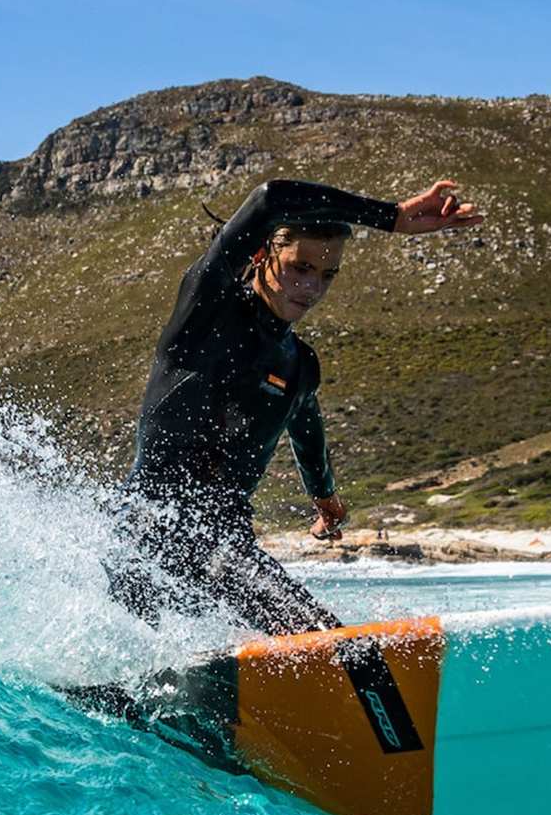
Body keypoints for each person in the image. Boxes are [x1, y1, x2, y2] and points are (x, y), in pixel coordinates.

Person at [108, 176, 483, 637]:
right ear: (262, 255)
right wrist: (393, 217)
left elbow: (307, 430)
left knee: (317, 636)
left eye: (327, 275)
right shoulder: (205, 310)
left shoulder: (299, 364)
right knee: (312, 638)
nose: (312, 287)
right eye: (300, 267)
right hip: (148, 527)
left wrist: (325, 498)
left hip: (226, 541)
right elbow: (271, 198)